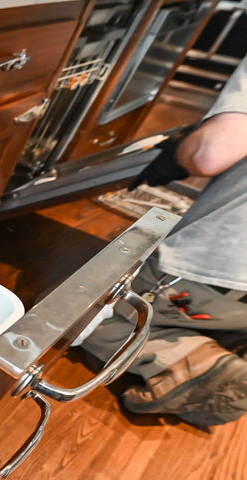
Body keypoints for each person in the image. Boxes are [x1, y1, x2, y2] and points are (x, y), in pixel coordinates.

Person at [80, 56, 247, 427]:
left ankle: (192, 362)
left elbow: (212, 152)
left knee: (80, 308)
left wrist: (178, 153)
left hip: (221, 270)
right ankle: (225, 337)